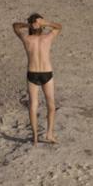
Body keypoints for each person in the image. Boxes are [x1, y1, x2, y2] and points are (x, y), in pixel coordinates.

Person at [13, 13, 63, 144]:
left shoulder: (26, 38)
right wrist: (45, 22)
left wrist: (29, 25)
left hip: (32, 73)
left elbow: (15, 26)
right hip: (46, 73)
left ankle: (35, 137)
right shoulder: (48, 37)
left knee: (33, 106)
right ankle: (49, 134)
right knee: (51, 106)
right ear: (40, 25)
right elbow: (58, 27)